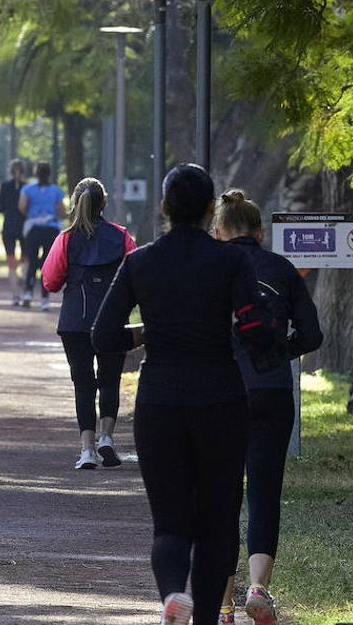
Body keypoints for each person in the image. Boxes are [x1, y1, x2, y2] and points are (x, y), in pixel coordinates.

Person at [92, 163, 275, 625]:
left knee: (170, 522)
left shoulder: (141, 262)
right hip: (221, 399)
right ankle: (207, 618)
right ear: (211, 209)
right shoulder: (232, 260)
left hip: (160, 401)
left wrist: (145, 334)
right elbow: (255, 328)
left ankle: (174, 593)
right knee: (217, 520)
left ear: (164, 208)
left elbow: (102, 335)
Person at [213, 190, 323, 625]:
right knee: (263, 492)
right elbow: (312, 336)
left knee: (220, 496)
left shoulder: (212, 270)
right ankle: (259, 587)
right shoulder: (281, 269)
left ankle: (222, 606)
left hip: (220, 393)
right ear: (260, 233)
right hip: (272, 391)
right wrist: (279, 354)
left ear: (218, 232)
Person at [41, 178, 136, 470]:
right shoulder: (121, 237)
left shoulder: (66, 239)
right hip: (111, 320)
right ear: (104, 203)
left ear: (74, 203)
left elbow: (50, 281)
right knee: (110, 380)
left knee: (83, 384)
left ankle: (86, 449)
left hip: (75, 321)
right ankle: (107, 438)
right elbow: (136, 274)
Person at [18, 161, 65, 310]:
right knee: (47, 263)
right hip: (50, 229)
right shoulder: (56, 191)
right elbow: (61, 210)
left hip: (34, 228)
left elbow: (22, 207)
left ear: (36, 173)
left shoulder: (28, 189)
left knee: (32, 261)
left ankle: (28, 293)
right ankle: (44, 299)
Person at [0, 159, 29, 304]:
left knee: (11, 261)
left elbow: (0, 208)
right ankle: (24, 292)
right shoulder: (28, 187)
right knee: (26, 259)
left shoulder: (5, 186)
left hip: (9, 225)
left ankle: (15, 294)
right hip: (24, 226)